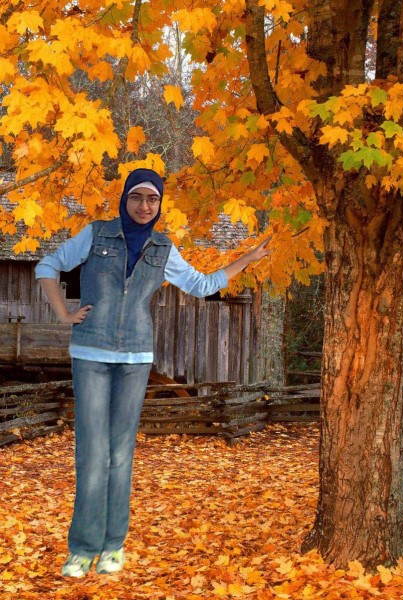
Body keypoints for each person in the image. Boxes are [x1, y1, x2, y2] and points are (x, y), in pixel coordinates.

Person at [35, 168, 271, 578]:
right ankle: (82, 549)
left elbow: (202, 285)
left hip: (136, 357)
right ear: (124, 198)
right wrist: (63, 313)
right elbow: (47, 265)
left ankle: (113, 546)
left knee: (120, 453)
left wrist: (247, 259)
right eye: (137, 197)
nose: (144, 206)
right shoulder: (96, 234)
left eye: (152, 199)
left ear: (159, 204)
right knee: (92, 452)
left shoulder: (164, 248)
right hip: (90, 352)